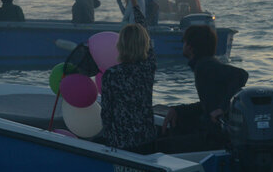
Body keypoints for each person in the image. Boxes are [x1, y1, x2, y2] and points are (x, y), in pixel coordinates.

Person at [162, 24, 247, 150]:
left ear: (190, 47)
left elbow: (241, 75)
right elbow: (207, 104)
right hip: (213, 132)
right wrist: (178, 110)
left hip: (214, 137)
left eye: (183, 42)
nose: (183, 45)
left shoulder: (205, 66)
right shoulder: (205, 65)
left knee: (159, 146)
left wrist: (222, 108)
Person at [99, 23, 158, 152]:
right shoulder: (148, 69)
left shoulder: (111, 74)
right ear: (145, 44)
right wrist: (137, 10)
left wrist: (108, 138)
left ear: (120, 45)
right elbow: (150, 49)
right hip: (147, 138)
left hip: (121, 142)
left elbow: (106, 113)